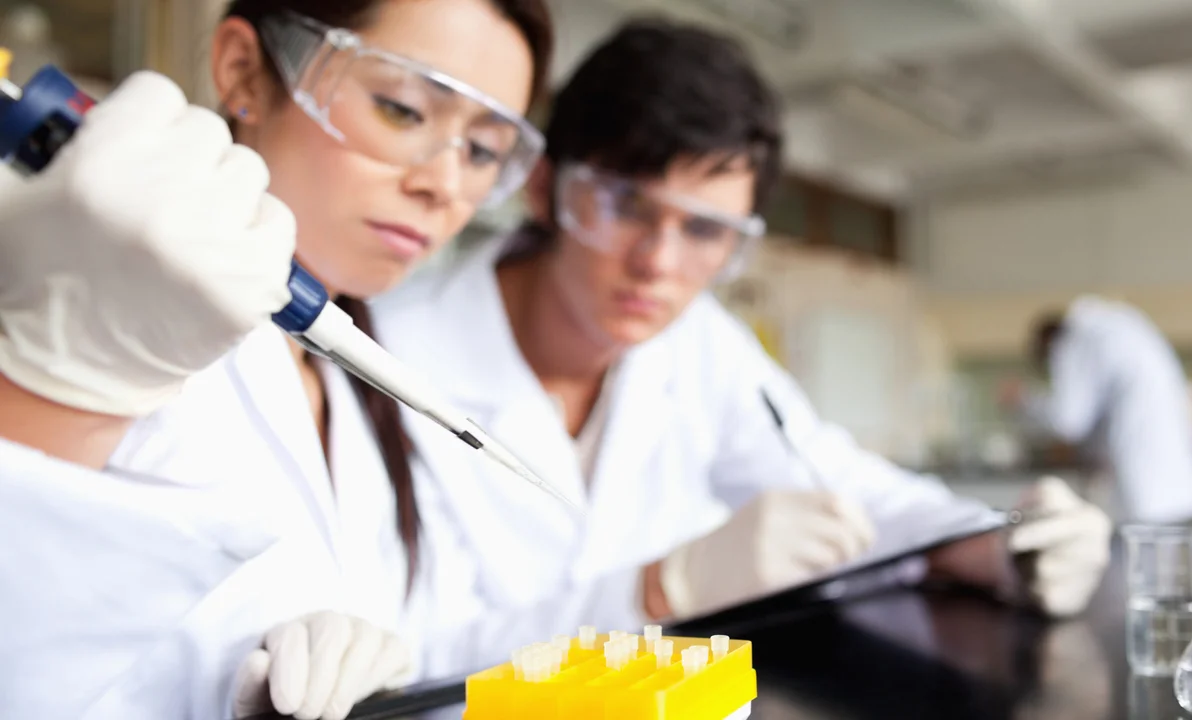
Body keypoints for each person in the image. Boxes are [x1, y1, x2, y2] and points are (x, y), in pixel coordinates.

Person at [371, 17, 1115, 661]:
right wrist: (661, 590)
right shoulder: (388, 350)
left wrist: (1001, 543)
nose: (659, 264)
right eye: (627, 205)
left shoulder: (696, 342)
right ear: (544, 186)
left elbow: (840, 488)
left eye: (705, 231)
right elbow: (404, 661)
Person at [0, 0, 552, 717]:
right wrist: (57, 397)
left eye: (482, 151)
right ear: (243, 72)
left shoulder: (350, 375)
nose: (445, 187)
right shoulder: (84, 307)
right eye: (402, 108)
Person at [1001, 297, 1192, 524]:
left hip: (1142, 477)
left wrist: (1025, 400)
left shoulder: (1075, 340)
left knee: (1143, 546)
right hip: (1173, 474)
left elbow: (1068, 421)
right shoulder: (1118, 325)